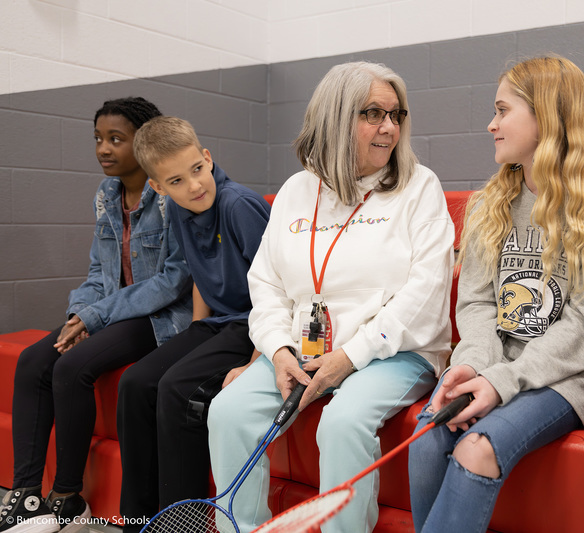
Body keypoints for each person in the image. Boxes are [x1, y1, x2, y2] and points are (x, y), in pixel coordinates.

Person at [207, 61, 453, 533]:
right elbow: (267, 285)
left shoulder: (420, 186)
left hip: (394, 351)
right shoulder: (298, 191)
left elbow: (426, 291)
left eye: (396, 115)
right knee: (229, 411)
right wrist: (277, 351)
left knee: (342, 424)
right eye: (373, 114)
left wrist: (352, 355)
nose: (389, 128)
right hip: (304, 351)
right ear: (336, 119)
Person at [407, 56, 584, 533]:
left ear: (546, 117)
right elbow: (477, 304)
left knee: (476, 447)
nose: (491, 124)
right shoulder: (492, 203)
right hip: (495, 365)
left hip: (568, 377)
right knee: (428, 435)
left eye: (503, 110)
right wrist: (472, 367)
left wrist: (501, 383)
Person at [0, 98, 192, 533]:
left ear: (143, 142)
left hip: (160, 317)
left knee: (71, 367)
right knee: (34, 360)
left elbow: (173, 282)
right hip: (112, 311)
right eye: (98, 139)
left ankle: (67, 497)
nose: (103, 149)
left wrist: (96, 317)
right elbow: (96, 272)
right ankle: (28, 495)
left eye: (115, 140)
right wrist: (78, 314)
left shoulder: (169, 196)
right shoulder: (106, 197)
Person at [115, 116, 271, 532]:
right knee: (134, 384)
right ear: (159, 188)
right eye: (178, 181)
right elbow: (202, 274)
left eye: (197, 171)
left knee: (175, 387)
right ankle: (138, 519)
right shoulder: (180, 210)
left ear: (207, 157)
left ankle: (179, 525)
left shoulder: (238, 205)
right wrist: (195, 332)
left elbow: (277, 290)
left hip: (253, 325)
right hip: (217, 324)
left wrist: (259, 360)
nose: (195, 186)